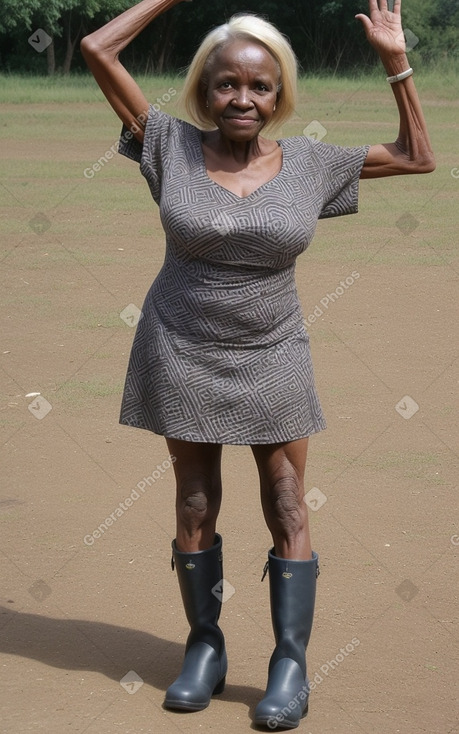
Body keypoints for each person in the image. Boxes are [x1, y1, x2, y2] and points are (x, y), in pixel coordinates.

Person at [81, 0, 434, 728]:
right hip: (180, 341)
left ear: (280, 96)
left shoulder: (308, 162)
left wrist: (394, 59)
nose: (243, 97)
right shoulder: (166, 145)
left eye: (260, 86)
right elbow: (96, 49)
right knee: (193, 501)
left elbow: (416, 156)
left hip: (273, 352)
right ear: (204, 91)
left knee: (286, 502)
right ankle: (204, 646)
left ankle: (288, 663)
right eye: (226, 84)